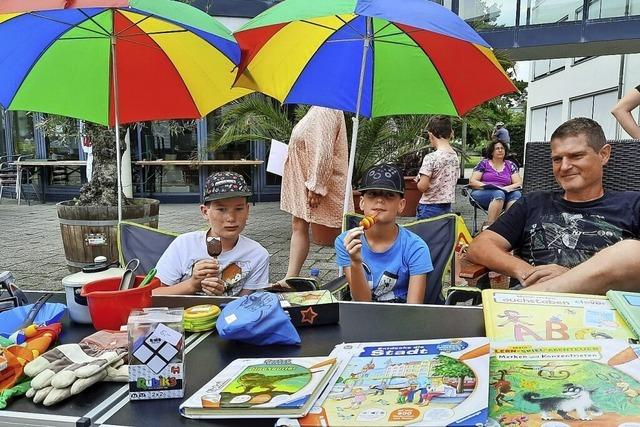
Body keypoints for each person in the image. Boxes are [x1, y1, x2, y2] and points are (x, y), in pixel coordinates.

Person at [466, 117, 640, 295]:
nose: (564, 167)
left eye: (576, 156)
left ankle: (519, 299)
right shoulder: (533, 203)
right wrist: (527, 271)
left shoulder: (632, 204)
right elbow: (479, 246)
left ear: (603, 154)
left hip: (604, 312)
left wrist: (569, 278)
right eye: (557, 159)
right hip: (533, 311)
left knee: (631, 251)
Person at [154, 171, 269, 296]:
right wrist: (192, 284)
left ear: (247, 211)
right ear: (205, 212)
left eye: (238, 209)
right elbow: (153, 294)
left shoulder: (257, 255)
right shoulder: (184, 245)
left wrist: (220, 297)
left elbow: (247, 305)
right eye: (221, 209)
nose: (231, 218)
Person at [335, 164, 433, 304]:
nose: (380, 200)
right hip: (363, 315)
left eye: (389, 195)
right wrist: (356, 262)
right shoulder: (345, 242)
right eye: (372, 194)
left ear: (401, 205)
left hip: (401, 318)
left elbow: (414, 308)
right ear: (362, 202)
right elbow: (362, 302)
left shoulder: (416, 247)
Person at [278, 106, 351, 285]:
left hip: (317, 183)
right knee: (299, 224)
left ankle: (357, 278)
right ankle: (290, 277)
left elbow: (323, 149)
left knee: (344, 231)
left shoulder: (325, 108)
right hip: (307, 180)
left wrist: (316, 186)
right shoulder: (318, 108)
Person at [415, 116, 460, 219]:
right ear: (451, 133)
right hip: (446, 207)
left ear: (431, 135)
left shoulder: (431, 157)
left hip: (429, 207)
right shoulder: (454, 156)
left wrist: (418, 181)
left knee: (425, 235)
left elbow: (423, 187)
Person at [469, 141, 522, 225]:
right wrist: (489, 186)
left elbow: (518, 183)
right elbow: (472, 181)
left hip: (504, 192)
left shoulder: (510, 165)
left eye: (502, 148)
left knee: (517, 194)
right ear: (492, 152)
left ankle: (507, 225)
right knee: (498, 193)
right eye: (497, 148)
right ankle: (491, 226)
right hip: (482, 192)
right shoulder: (484, 164)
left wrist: (506, 188)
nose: (500, 150)